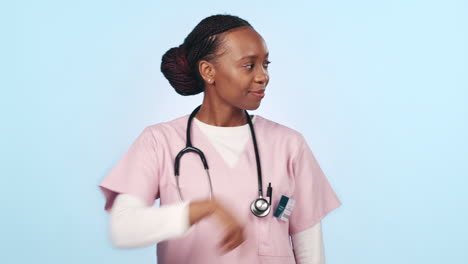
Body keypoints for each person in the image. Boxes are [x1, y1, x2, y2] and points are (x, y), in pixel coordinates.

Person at [99, 14, 341, 264]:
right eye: (249, 65)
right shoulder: (159, 142)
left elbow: (309, 248)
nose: (263, 76)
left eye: (265, 65)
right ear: (208, 71)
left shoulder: (289, 145)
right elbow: (123, 227)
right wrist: (202, 209)